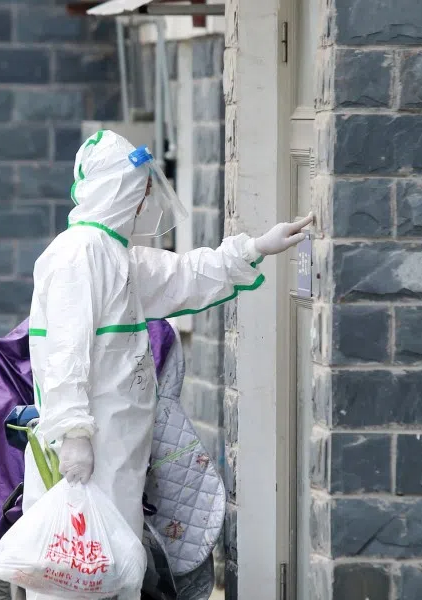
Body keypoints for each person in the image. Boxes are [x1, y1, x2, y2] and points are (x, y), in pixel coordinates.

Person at [22, 130, 313, 600]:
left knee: (111, 573)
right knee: (74, 580)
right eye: (137, 191)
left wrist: (255, 247)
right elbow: (64, 352)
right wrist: (73, 432)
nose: (142, 203)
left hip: (116, 452)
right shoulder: (78, 255)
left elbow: (183, 276)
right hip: (87, 456)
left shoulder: (115, 256)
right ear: (116, 191)